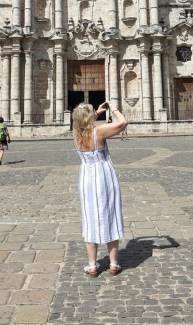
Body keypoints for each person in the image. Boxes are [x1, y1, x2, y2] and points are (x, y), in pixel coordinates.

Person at [73, 102, 127, 277]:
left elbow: (84, 122)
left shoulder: (76, 133)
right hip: (104, 176)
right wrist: (113, 108)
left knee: (90, 219)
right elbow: (123, 122)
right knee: (110, 215)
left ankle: (92, 265)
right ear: (91, 117)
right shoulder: (99, 131)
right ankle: (113, 264)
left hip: (86, 178)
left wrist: (94, 113)